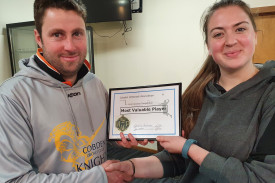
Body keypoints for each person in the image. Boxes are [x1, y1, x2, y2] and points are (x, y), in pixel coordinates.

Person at [105, 0, 275, 182]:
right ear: (208, 46)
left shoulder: (269, 94)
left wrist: (189, 148)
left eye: (240, 29)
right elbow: (180, 161)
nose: (231, 41)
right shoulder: (198, 93)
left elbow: (261, 178)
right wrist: (131, 167)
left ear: (255, 36)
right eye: (218, 34)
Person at [0, 0, 150, 182]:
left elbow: (103, 134)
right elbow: (14, 180)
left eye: (77, 33)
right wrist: (99, 177)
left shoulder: (95, 83)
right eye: (57, 34)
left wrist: (121, 136)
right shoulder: (12, 98)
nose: (70, 46)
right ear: (38, 38)